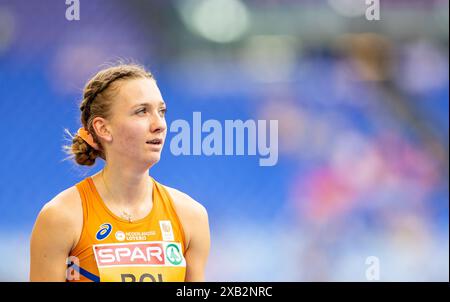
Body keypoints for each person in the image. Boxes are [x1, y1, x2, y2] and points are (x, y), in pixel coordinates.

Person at [30, 64, 210, 282]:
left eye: (161, 111)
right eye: (142, 111)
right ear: (103, 128)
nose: (159, 124)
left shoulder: (190, 216)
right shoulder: (62, 217)